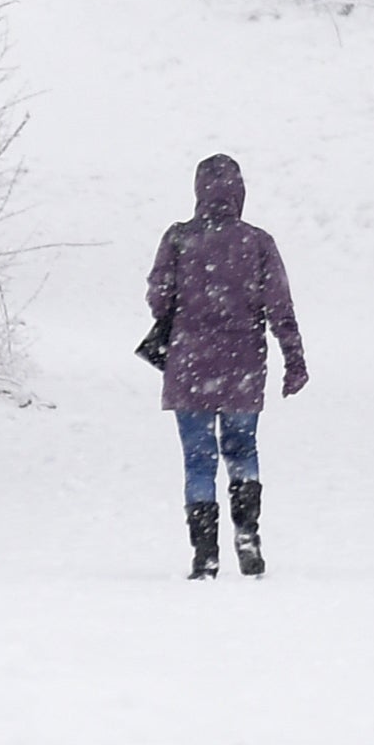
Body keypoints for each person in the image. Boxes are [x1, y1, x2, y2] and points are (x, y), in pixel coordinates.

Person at [141, 152, 306, 578]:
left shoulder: (178, 238)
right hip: (242, 365)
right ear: (240, 193)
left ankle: (204, 554)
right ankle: (247, 536)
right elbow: (280, 306)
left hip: (190, 365)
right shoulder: (257, 242)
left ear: (198, 192)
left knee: (198, 460)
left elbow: (159, 299)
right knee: (242, 450)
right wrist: (294, 361)